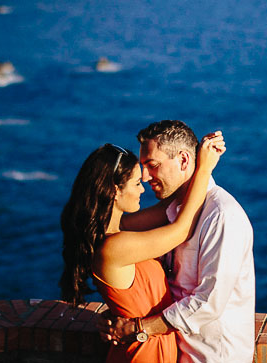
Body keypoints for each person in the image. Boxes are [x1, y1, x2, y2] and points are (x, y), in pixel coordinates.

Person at [60, 132, 226, 363]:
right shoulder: (115, 247)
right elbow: (181, 229)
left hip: (148, 349)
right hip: (142, 353)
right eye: (137, 183)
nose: (143, 188)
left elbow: (172, 203)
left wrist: (190, 162)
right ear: (115, 190)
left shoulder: (120, 233)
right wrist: (205, 168)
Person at [101, 120, 256, 363]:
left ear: (184, 160)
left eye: (152, 165)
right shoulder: (171, 212)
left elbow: (209, 302)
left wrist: (138, 329)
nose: (144, 176)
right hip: (176, 354)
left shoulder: (221, 216)